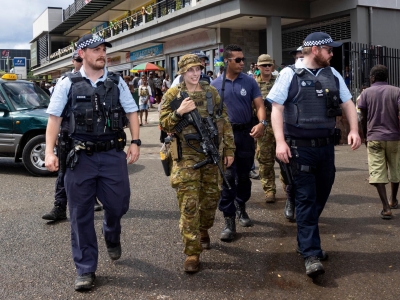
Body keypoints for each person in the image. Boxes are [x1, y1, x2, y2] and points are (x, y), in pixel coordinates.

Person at [44, 33, 140, 291]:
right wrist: (49, 152)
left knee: (118, 204)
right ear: (82, 53)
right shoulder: (67, 83)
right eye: (95, 49)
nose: (101, 53)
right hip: (80, 157)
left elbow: (131, 112)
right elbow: (53, 119)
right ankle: (85, 268)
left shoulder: (116, 81)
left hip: (112, 154)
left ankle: (112, 231)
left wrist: (135, 142)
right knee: (79, 214)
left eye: (103, 49)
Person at [268, 32, 361, 278]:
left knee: (322, 191)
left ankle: (305, 239)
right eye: (329, 49)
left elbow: (348, 103)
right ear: (316, 49)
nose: (332, 53)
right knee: (307, 198)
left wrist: (354, 129)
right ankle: (310, 252)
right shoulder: (289, 74)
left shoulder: (333, 74)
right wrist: (279, 142)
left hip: (326, 148)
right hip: (300, 147)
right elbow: (276, 109)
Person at [159, 54, 235, 273]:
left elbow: (225, 121)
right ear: (182, 72)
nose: (195, 73)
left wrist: (229, 149)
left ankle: (203, 229)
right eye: (190, 70)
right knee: (189, 205)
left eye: (198, 69)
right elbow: (164, 123)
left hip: (211, 156)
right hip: (185, 158)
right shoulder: (174, 94)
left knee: (211, 199)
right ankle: (192, 253)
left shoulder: (211, 93)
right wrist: (179, 112)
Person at [211, 44, 266, 241]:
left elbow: (259, 105)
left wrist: (262, 123)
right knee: (227, 178)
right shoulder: (216, 85)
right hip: (225, 138)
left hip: (245, 135)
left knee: (243, 177)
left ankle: (241, 205)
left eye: (243, 59)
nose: (242, 63)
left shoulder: (249, 82)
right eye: (238, 60)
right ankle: (229, 219)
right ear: (227, 61)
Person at [42, 50, 102, 222]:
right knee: (63, 172)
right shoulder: (65, 81)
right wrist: (50, 148)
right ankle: (59, 207)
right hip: (68, 134)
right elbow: (55, 114)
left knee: (92, 170)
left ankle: (93, 199)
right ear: (73, 61)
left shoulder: (97, 79)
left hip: (89, 135)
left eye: (80, 59)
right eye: (76, 60)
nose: (78, 62)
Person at [358, 64, 400, 219]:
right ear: (386, 77)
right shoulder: (396, 91)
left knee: (377, 171)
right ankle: (393, 200)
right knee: (395, 169)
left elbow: (362, 117)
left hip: (374, 137)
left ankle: (385, 208)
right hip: (394, 138)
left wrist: (364, 136)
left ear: (372, 77)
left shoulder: (366, 93)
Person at [254, 54, 277, 203]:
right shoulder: (254, 85)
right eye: (264, 65)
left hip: (280, 125)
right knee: (265, 160)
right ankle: (269, 190)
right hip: (264, 126)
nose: (267, 67)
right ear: (258, 67)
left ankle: (289, 188)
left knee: (286, 159)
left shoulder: (280, 82)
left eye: (269, 65)